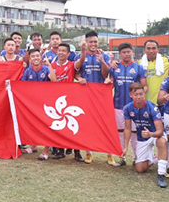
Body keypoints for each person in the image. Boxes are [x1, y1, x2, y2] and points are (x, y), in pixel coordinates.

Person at [122, 84, 169, 188]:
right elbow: (127, 129)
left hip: (155, 134)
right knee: (139, 169)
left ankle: (161, 174)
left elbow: (160, 131)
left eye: (141, 94)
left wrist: (150, 134)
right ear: (131, 95)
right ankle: (154, 159)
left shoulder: (152, 107)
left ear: (144, 94)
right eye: (136, 94)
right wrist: (125, 147)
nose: (139, 97)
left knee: (161, 141)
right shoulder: (127, 108)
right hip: (142, 137)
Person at [74, 30, 111, 164]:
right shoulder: (80, 56)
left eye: (95, 41)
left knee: (104, 124)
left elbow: (106, 74)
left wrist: (102, 62)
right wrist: (80, 79)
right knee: (87, 123)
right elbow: (76, 74)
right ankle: (88, 152)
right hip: (86, 95)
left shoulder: (104, 55)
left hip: (101, 95)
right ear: (86, 42)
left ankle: (109, 153)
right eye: (91, 42)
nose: (93, 44)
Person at [107, 43, 146, 167]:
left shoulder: (138, 68)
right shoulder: (114, 67)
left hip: (134, 106)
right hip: (118, 105)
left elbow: (145, 86)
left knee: (135, 132)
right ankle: (121, 157)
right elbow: (111, 84)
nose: (126, 54)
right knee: (120, 132)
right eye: (124, 52)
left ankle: (136, 158)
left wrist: (139, 96)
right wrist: (108, 82)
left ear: (132, 52)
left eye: (128, 52)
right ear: (120, 54)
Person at [20, 49, 55, 159]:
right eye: (33, 56)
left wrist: (50, 66)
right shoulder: (28, 71)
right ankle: (34, 146)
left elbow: (54, 81)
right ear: (30, 59)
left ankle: (46, 150)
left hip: (46, 103)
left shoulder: (46, 68)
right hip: (33, 103)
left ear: (41, 57)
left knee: (46, 125)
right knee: (33, 124)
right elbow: (21, 85)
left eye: (37, 56)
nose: (35, 58)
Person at [49, 43, 76, 160]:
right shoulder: (52, 65)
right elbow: (52, 80)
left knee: (70, 123)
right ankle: (58, 149)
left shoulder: (71, 65)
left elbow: (81, 62)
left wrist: (84, 50)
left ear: (68, 53)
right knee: (57, 123)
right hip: (55, 98)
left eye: (64, 51)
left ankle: (73, 148)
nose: (61, 53)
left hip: (69, 98)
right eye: (59, 50)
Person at [139, 40, 169, 106]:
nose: (151, 51)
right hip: (145, 102)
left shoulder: (167, 60)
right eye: (148, 48)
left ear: (158, 49)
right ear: (144, 50)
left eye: (154, 48)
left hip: (161, 101)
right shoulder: (139, 63)